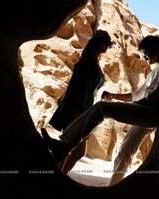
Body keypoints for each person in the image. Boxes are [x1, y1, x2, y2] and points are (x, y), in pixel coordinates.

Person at [42, 35, 159, 178]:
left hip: (152, 113)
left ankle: (64, 144)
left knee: (102, 108)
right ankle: (114, 184)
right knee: (125, 151)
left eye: (145, 52)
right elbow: (136, 95)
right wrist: (114, 96)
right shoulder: (158, 68)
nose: (143, 56)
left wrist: (135, 105)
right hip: (148, 114)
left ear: (155, 49)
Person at [43, 29, 113, 174]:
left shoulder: (92, 59)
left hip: (84, 108)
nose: (107, 47)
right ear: (98, 43)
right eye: (106, 43)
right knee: (72, 150)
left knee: (72, 150)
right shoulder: (87, 61)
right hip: (77, 108)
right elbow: (77, 88)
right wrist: (79, 113)